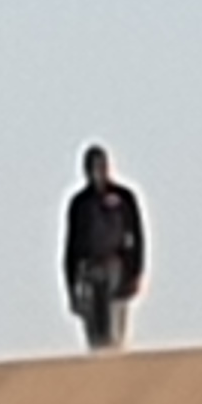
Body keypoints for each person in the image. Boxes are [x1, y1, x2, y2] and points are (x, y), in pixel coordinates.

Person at [60, 145, 147, 352]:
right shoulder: (79, 203)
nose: (96, 172)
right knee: (95, 335)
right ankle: (98, 365)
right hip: (89, 271)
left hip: (117, 267)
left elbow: (138, 237)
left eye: (100, 166)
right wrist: (71, 287)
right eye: (91, 167)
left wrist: (136, 273)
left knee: (115, 330)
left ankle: (115, 366)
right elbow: (71, 247)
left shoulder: (124, 198)